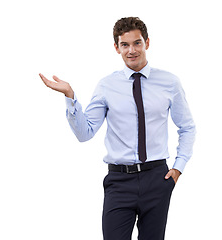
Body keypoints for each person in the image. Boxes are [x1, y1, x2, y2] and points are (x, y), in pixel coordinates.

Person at [39, 17, 196, 240]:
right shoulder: (107, 85)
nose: (131, 50)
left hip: (157, 178)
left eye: (137, 43)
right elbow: (85, 133)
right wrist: (70, 97)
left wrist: (178, 168)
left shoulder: (169, 82)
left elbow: (187, 126)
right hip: (119, 182)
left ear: (147, 43)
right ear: (117, 47)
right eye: (125, 45)